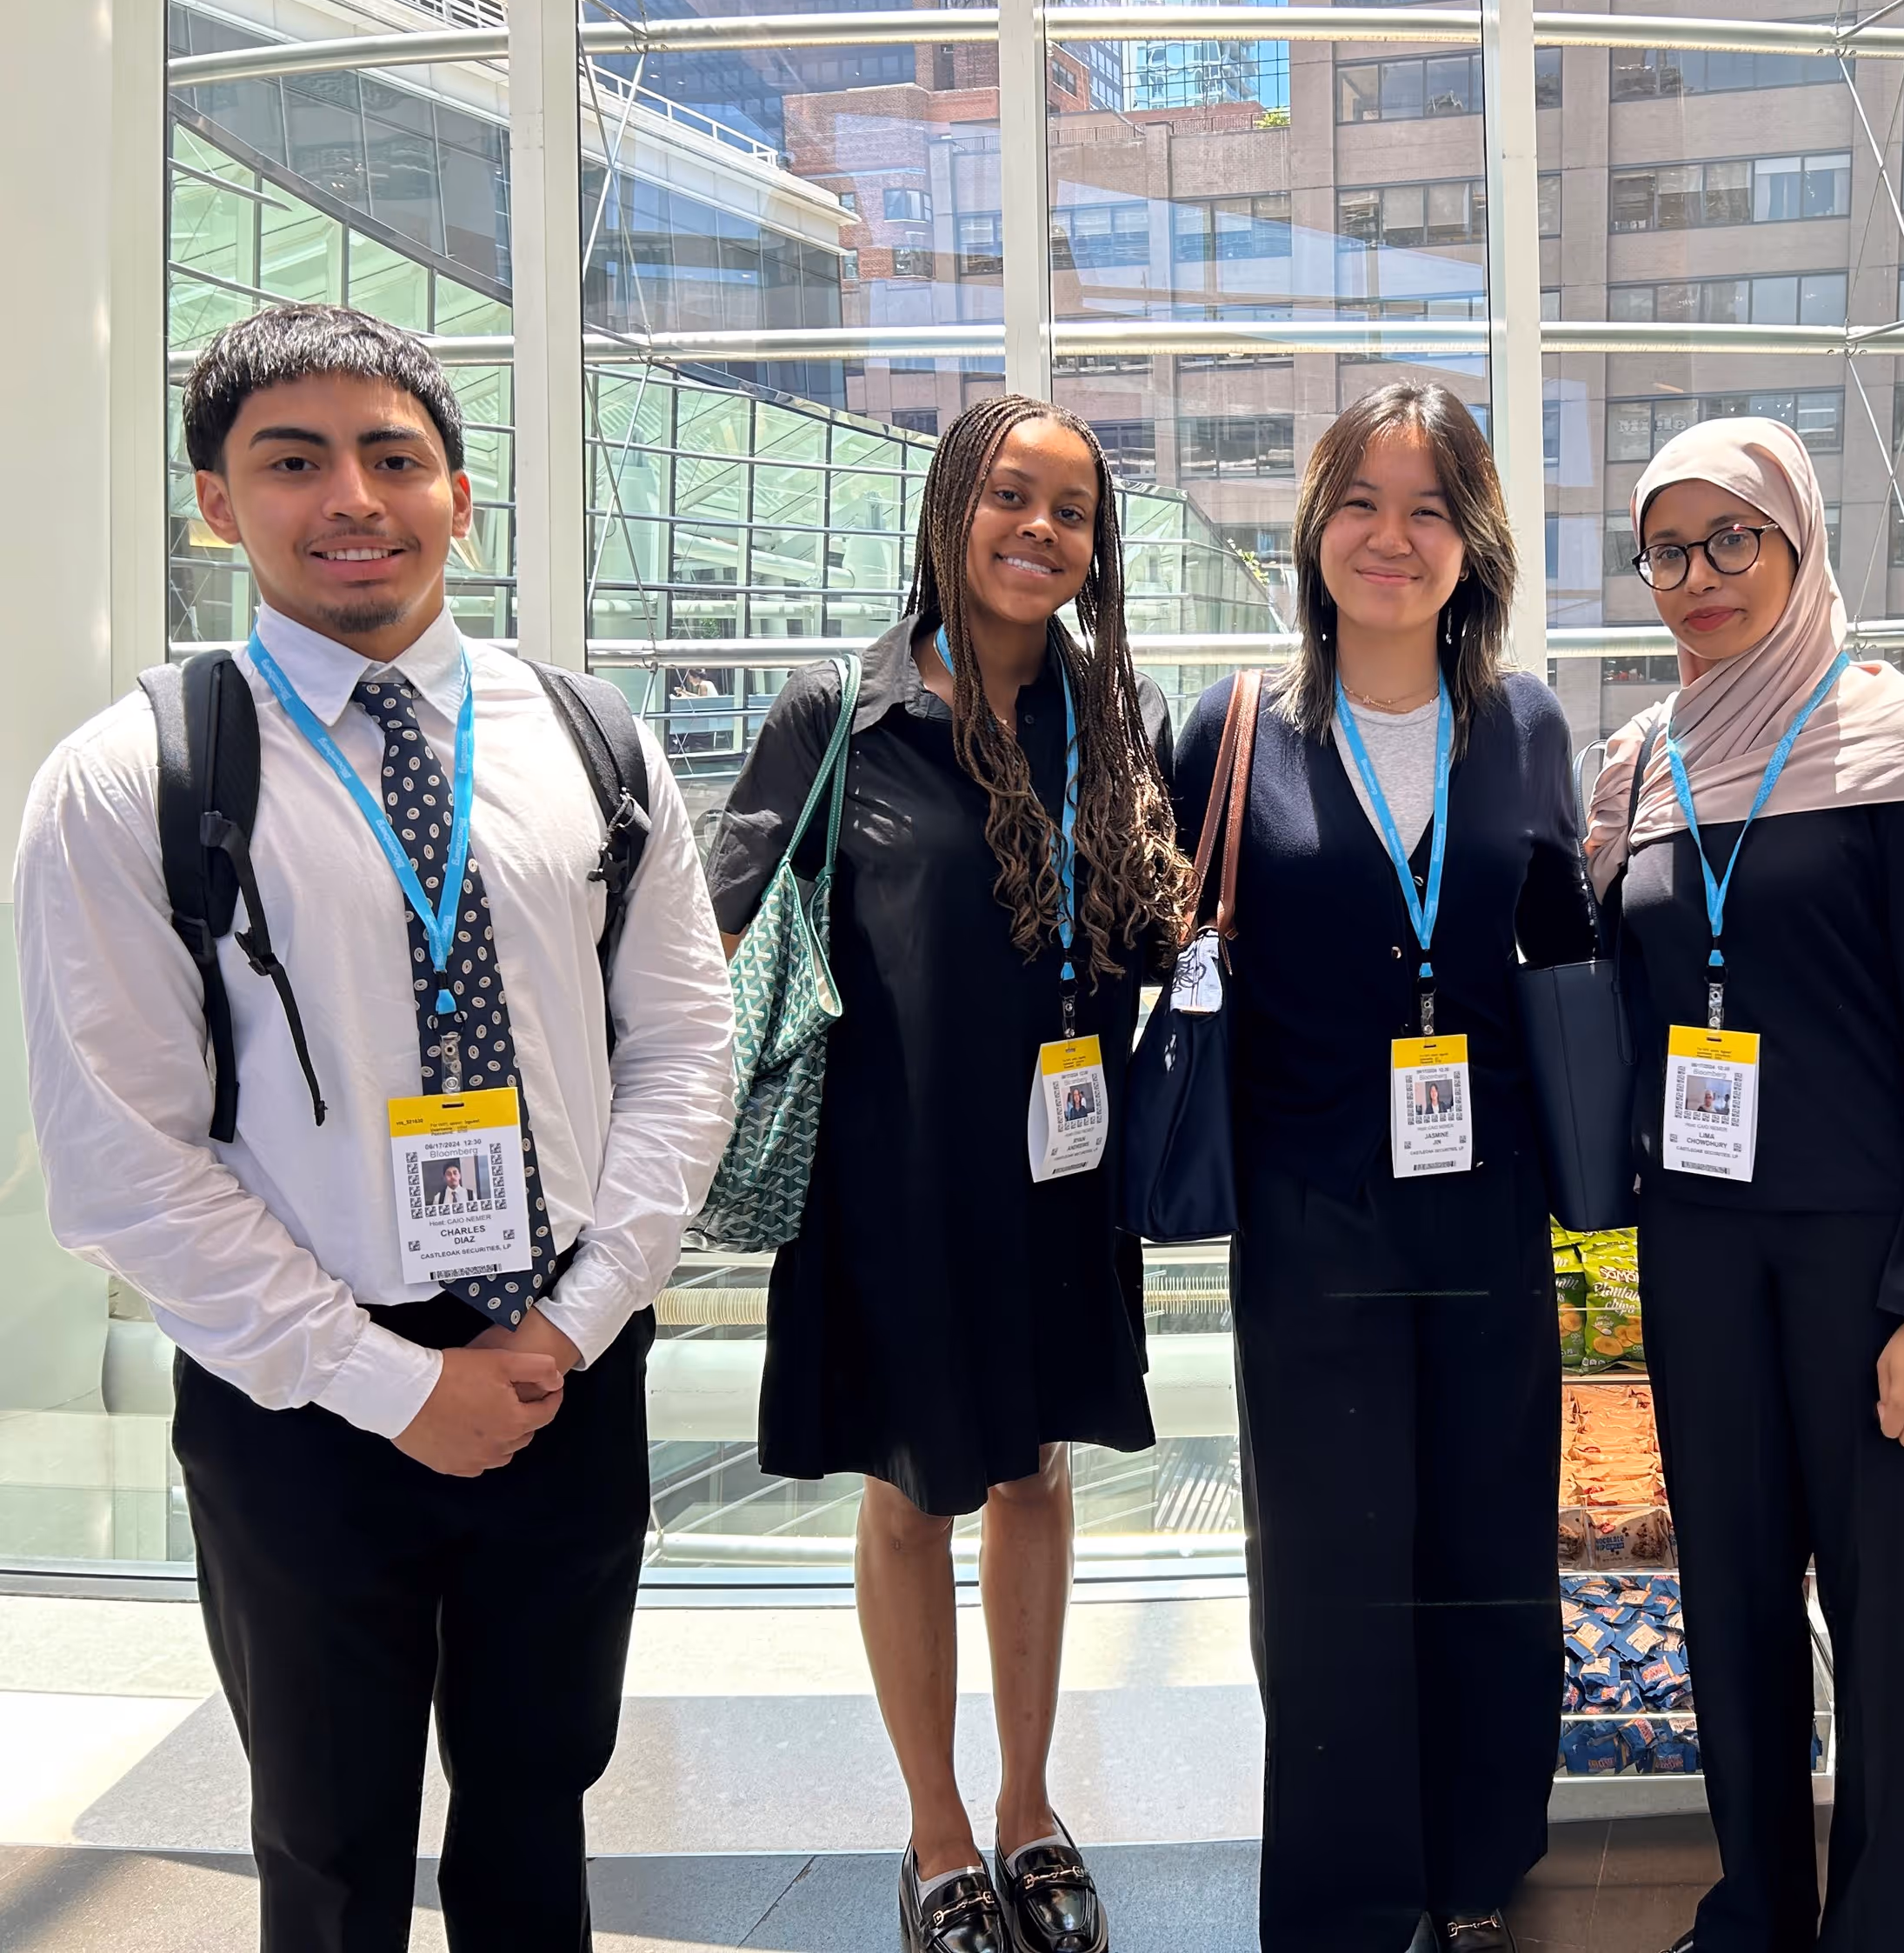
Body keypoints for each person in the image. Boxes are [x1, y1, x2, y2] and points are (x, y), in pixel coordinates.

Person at [15, 303, 737, 1950]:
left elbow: (683, 1047)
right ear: (218, 502)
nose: (353, 498)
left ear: (459, 497)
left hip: (563, 1365)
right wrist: (391, 1384)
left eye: (394, 458)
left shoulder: (590, 743)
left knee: (540, 1806)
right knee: (328, 1850)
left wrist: (571, 1318)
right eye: (293, 461)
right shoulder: (136, 779)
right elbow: (123, 1152)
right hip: (300, 1402)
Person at [709, 396, 1182, 1953]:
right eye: (1009, 496)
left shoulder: (1117, 718)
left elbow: (1151, 928)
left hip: (1061, 1170)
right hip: (890, 1178)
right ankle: (934, 1831)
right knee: (913, 1489)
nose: (1040, 530)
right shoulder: (835, 720)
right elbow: (711, 942)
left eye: (1072, 510)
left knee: (1036, 1472)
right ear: (946, 508)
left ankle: (1030, 1802)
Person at [1584, 417, 1904, 1953]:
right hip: (1697, 1248)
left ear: (1801, 540)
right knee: (1735, 1596)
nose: (1696, 578)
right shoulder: (1641, 765)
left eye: (1733, 541)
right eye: (1667, 548)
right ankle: (1758, 1904)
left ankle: (1876, 1925)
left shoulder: (1902, 745)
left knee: (1889, 1613)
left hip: (1869, 1258)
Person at [1168, 383, 1594, 1953]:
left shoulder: (1529, 727)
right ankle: (1352, 1894)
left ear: (1474, 543)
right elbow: (1147, 923)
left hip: (1485, 1209)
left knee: (1489, 1542)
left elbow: (1570, 946)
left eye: (1428, 509)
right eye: (1360, 502)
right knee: (1332, 1565)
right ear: (1313, 531)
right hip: (1309, 1210)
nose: (1391, 538)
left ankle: (1479, 1862)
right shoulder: (1234, 729)